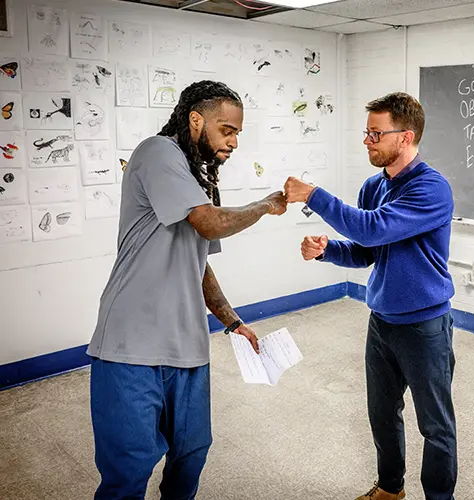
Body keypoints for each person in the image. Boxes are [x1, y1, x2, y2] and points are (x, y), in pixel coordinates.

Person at [86, 80, 287, 499]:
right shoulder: (157, 151)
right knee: (129, 468)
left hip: (187, 347)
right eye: (226, 130)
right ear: (196, 120)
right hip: (131, 343)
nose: (233, 142)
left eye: (237, 133)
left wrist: (233, 322)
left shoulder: (197, 177)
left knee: (191, 455)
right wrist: (265, 205)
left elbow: (198, 263)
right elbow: (210, 224)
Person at [284, 92, 457, 500]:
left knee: (435, 425)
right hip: (382, 322)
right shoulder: (373, 187)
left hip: (424, 326)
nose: (367, 141)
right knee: (382, 414)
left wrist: (313, 195)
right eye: (366, 132)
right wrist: (327, 250)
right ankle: (390, 489)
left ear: (406, 137)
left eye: (376, 133)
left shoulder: (431, 189)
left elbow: (372, 228)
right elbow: (367, 250)